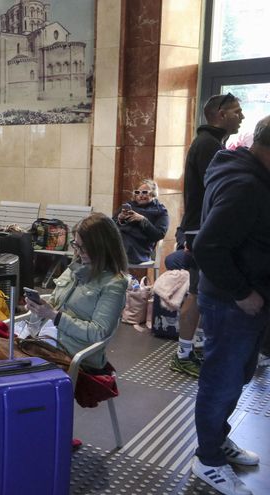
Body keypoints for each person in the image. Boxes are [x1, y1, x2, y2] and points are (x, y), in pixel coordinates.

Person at [189, 115, 270, 495]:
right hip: (232, 301)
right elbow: (207, 246)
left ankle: (216, 438)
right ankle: (208, 459)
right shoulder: (245, 184)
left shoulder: (245, 171)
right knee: (221, 380)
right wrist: (243, 292)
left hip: (240, 300)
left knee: (237, 375)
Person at [168, 93, 245, 378]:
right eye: (237, 111)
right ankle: (183, 354)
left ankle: (193, 347)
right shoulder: (208, 145)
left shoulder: (210, 143)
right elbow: (217, 192)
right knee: (197, 293)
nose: (242, 117)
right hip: (200, 231)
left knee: (202, 294)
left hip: (200, 230)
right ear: (220, 114)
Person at [24, 213, 128, 370]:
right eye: (76, 245)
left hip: (72, 352)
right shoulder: (76, 267)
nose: (78, 252)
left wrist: (53, 315)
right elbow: (55, 301)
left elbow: (97, 333)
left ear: (102, 247)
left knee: (5, 363)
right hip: (48, 338)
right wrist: (39, 307)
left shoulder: (114, 284)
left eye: (84, 247)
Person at [114, 179, 169, 265]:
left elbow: (159, 235)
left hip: (140, 247)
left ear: (153, 193)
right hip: (119, 241)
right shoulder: (128, 206)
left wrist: (142, 220)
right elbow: (110, 226)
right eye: (137, 192)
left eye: (144, 192)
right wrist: (120, 219)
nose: (140, 195)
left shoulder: (161, 211)